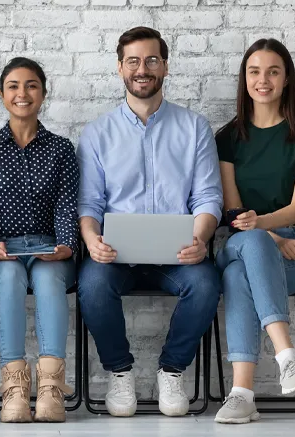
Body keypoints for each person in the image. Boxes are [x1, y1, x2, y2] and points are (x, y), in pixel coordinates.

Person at [77, 27, 223, 417]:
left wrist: (201, 237)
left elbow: (208, 196)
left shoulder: (194, 128)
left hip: (179, 253)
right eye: (134, 61)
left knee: (207, 284)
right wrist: (91, 239)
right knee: (91, 285)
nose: (143, 69)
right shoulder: (96, 134)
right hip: (115, 255)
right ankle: (119, 373)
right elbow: (89, 202)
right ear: (120, 67)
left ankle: (172, 372)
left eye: (152, 60)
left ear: (166, 67)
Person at [213, 39, 295, 424]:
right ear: (245, 80)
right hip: (245, 239)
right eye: (255, 71)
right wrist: (267, 234)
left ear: (287, 79)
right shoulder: (227, 137)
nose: (264, 80)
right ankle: (286, 356)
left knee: (235, 275)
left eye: (273, 71)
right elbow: (233, 211)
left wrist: (266, 229)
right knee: (249, 247)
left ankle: (242, 394)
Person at [0, 57, 78, 423]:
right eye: (14, 86)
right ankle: (15, 388)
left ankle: (50, 389)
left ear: (44, 93)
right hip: (2, 250)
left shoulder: (62, 149)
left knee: (48, 279)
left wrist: (66, 243)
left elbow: (67, 205)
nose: (22, 93)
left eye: (31, 85)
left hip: (50, 247)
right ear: (2, 95)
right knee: (9, 277)